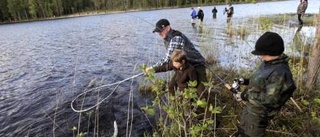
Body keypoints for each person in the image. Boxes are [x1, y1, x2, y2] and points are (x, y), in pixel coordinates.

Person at [231, 32, 296, 137]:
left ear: (273, 52)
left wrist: (245, 96)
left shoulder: (280, 73)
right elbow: (261, 81)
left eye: (263, 54)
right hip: (250, 109)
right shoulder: (268, 63)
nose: (261, 57)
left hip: (259, 115)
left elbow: (269, 100)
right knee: (242, 130)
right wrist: (244, 81)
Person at [147, 18, 208, 97]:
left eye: (161, 30)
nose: (160, 33)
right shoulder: (166, 38)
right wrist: (153, 69)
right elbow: (173, 60)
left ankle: (204, 107)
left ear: (168, 28)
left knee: (201, 92)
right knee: (172, 87)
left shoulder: (176, 38)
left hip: (196, 63)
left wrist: (152, 68)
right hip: (184, 65)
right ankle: (180, 104)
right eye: (158, 32)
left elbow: (168, 58)